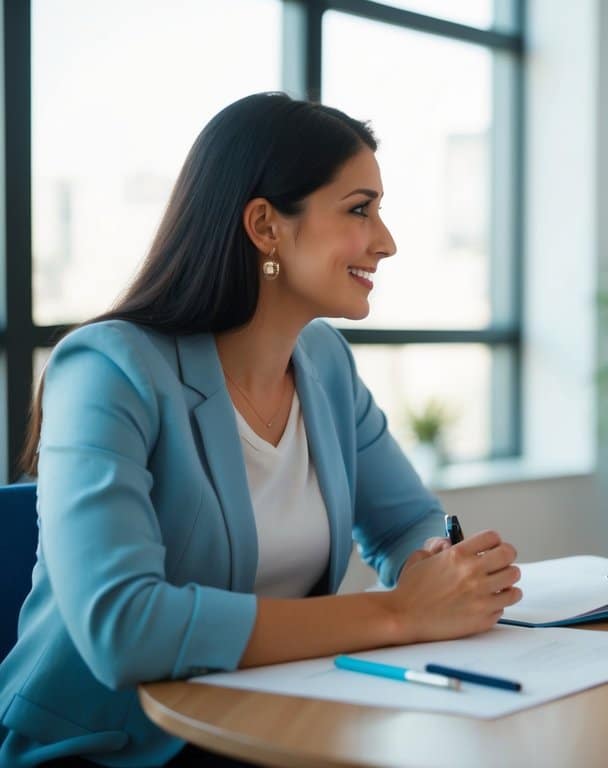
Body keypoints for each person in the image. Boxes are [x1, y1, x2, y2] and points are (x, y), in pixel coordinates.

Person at [0, 93, 522, 766]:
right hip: (107, 747)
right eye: (359, 209)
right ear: (265, 226)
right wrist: (400, 615)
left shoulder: (325, 364)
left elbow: (402, 524)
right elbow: (122, 628)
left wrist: (443, 572)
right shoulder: (109, 370)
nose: (386, 241)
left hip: (271, 723)